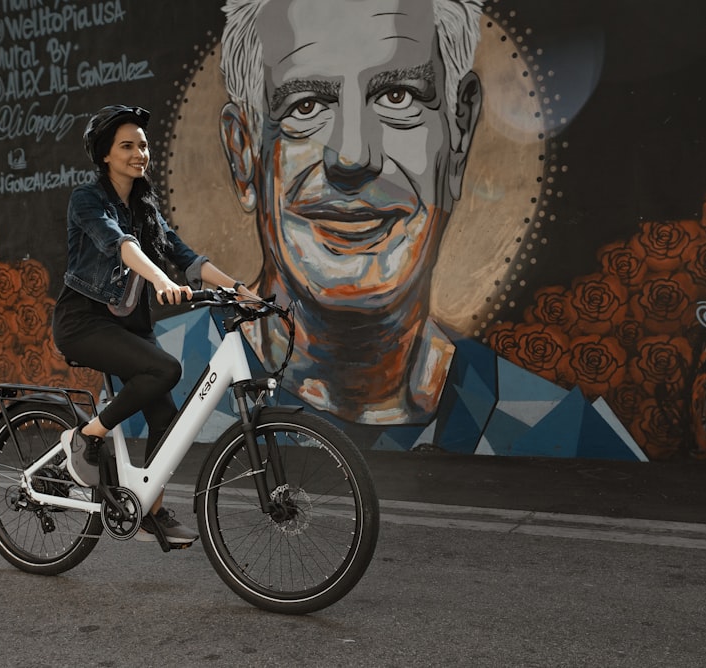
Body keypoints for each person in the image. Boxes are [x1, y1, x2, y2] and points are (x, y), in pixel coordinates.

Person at [218, 0, 483, 425]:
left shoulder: (549, 413)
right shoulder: (164, 380)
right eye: (305, 106)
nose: (354, 155)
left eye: (398, 97)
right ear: (244, 155)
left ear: (459, 138)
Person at [53, 105, 257, 545]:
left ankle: (151, 510)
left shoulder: (146, 209)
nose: (139, 153)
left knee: (166, 416)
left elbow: (186, 257)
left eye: (143, 145)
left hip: (128, 327)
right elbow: (118, 243)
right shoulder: (87, 199)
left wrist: (240, 289)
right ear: (105, 154)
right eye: (127, 145)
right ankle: (87, 436)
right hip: (84, 322)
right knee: (165, 369)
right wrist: (160, 280)